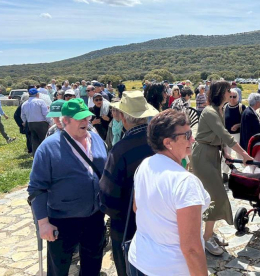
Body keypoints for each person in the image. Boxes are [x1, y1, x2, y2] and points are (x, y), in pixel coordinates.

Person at [27, 98, 107, 276]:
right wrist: (43, 223)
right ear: (65, 121)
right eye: (79, 118)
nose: (85, 122)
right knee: (59, 268)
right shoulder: (48, 148)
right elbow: (36, 188)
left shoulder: (96, 139)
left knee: (93, 263)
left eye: (86, 117)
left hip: (94, 216)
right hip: (62, 221)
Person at [128, 109, 210, 275]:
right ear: (168, 142)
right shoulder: (185, 182)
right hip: (170, 269)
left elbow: (137, 208)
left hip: (139, 261)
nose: (192, 139)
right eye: (187, 135)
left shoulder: (145, 165)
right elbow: (191, 248)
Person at [100, 91, 158, 276]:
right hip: (160, 223)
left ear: (124, 118)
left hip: (127, 225)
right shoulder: (160, 143)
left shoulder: (120, 150)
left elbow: (108, 196)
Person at [192, 81, 253, 255]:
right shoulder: (210, 111)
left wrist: (226, 155)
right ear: (221, 92)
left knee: (215, 195)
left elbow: (219, 136)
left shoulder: (219, 109)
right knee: (216, 196)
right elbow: (225, 135)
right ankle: (206, 238)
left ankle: (209, 234)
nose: (231, 92)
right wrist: (244, 155)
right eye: (228, 90)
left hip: (211, 154)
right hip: (203, 156)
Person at [221, 89, 246, 175]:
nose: (232, 99)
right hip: (227, 135)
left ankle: (245, 171)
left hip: (238, 135)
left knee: (240, 154)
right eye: (230, 96)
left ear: (237, 97)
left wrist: (238, 125)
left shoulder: (241, 107)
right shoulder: (225, 107)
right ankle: (225, 173)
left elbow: (245, 121)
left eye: (234, 97)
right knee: (226, 154)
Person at [21, 88, 50, 155]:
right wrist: (50, 122)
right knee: (44, 139)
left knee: (34, 140)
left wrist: (25, 122)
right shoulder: (40, 101)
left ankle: (36, 155)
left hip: (30, 123)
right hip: (41, 123)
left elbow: (23, 115)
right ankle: (45, 155)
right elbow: (45, 113)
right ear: (37, 94)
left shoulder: (24, 104)